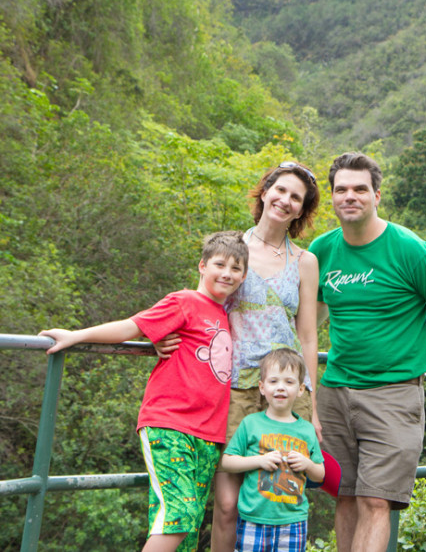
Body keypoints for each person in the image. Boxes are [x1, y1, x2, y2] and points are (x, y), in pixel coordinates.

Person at [39, 230, 249, 552]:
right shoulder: (184, 301)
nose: (227, 273)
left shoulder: (225, 315)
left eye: (236, 268)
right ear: (202, 266)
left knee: (186, 531)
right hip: (170, 422)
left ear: (244, 275)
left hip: (208, 433)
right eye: (220, 264)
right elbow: (133, 326)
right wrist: (76, 335)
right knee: (179, 515)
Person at [156, 161, 321, 552]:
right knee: (227, 506)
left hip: (285, 390)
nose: (285, 200)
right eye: (279, 190)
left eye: (295, 197)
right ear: (264, 192)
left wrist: (312, 406)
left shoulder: (305, 261)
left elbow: (309, 336)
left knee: (278, 496)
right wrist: (163, 336)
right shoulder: (234, 250)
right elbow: (202, 302)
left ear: (301, 210)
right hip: (232, 387)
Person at [309, 152, 426, 552]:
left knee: (376, 499)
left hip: (393, 393)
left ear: (377, 195)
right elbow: (311, 321)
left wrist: (414, 349)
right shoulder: (322, 250)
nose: (351, 196)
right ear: (331, 197)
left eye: (360, 189)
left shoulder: (409, 249)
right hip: (335, 391)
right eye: (341, 189)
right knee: (344, 495)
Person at [220, 348, 325, 552]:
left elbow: (320, 474)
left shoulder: (306, 429)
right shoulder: (250, 424)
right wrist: (258, 461)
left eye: (289, 382)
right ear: (262, 386)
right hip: (253, 518)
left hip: (293, 521)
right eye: (273, 381)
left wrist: (308, 464)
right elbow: (227, 461)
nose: (280, 388)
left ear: (301, 389)